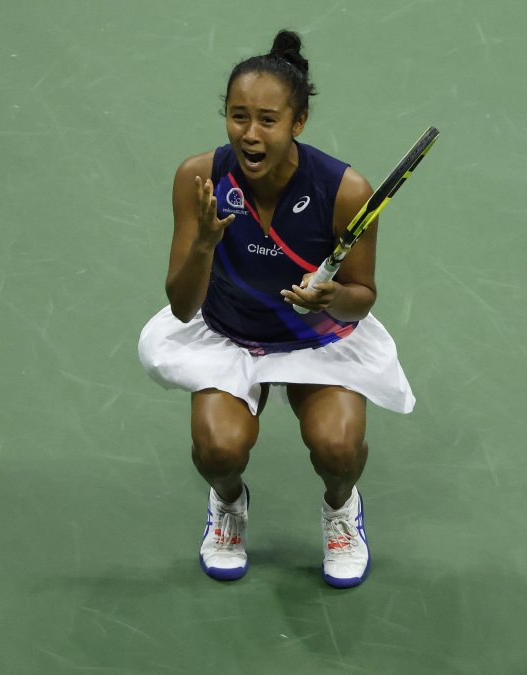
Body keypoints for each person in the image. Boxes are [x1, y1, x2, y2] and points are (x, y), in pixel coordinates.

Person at [138, 29, 414, 589]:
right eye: (239, 116)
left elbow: (362, 296)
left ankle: (341, 510)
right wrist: (203, 247)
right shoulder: (200, 178)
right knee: (218, 449)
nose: (251, 133)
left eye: (268, 119)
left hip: (317, 337)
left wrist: (330, 297)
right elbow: (181, 305)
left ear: (298, 123)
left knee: (338, 448)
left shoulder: (345, 191)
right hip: (228, 332)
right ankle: (229, 505)